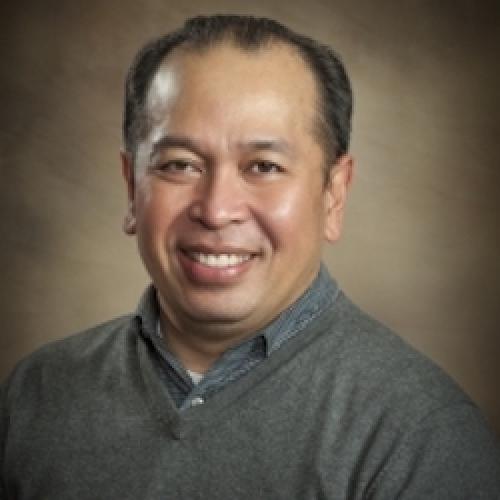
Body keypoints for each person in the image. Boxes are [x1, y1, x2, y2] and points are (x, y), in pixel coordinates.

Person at [1, 15, 499, 499]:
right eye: (180, 165)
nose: (216, 210)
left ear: (334, 194)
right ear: (132, 187)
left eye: (264, 166)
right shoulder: (33, 394)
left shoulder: (420, 437)